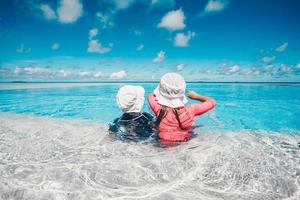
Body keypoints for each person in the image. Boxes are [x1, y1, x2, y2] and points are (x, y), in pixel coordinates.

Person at [148, 73, 216, 143]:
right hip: (184, 142)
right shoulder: (192, 110)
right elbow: (212, 102)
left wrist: (164, 89)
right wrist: (195, 96)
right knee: (194, 128)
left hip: (162, 142)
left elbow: (152, 95)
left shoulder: (157, 108)